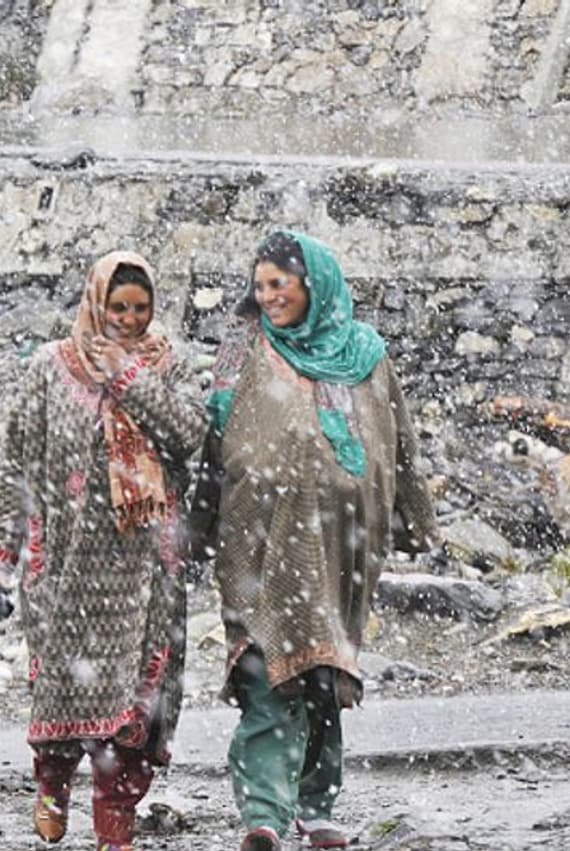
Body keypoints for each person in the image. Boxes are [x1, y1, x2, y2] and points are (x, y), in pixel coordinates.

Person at [189, 231, 436, 851]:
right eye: (261, 284)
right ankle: (264, 816)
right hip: (259, 543)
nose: (268, 296)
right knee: (263, 672)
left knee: (323, 676)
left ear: (314, 284)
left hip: (341, 548)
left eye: (280, 283)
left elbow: (395, 439)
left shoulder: (366, 355)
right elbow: (213, 444)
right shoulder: (245, 349)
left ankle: (316, 804)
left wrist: (415, 516)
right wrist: (192, 529)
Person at [0, 250, 207, 851]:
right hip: (67, 572)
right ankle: (52, 782)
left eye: (140, 308)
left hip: (145, 573)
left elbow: (189, 436)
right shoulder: (52, 367)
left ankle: (115, 828)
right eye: (117, 307)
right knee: (62, 692)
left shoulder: (168, 365)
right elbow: (15, 462)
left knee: (134, 710)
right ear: (95, 302)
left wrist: (128, 376)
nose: (128, 319)